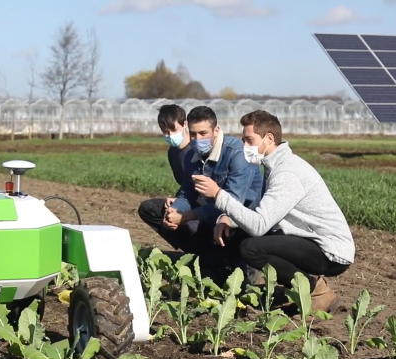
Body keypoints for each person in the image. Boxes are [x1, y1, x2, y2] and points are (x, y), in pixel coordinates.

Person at [192, 110, 355, 312]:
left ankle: (315, 291)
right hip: (308, 238)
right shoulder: (274, 166)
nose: (245, 146)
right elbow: (261, 211)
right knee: (236, 233)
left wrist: (218, 195)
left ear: (269, 138)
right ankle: (235, 281)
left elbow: (259, 225)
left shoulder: (287, 172)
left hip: (329, 250)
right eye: (243, 140)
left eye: (249, 140)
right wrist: (227, 219)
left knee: (251, 248)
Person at [140, 105, 263, 276]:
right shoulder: (193, 155)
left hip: (242, 219)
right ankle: (209, 258)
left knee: (227, 225)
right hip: (211, 213)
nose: (197, 139)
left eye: (203, 133)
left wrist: (187, 216)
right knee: (155, 211)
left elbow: (234, 203)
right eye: (193, 134)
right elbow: (187, 193)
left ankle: (243, 265)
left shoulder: (236, 153)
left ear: (216, 130)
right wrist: (176, 211)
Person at [137, 104, 193, 232]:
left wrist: (181, 203)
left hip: (202, 202)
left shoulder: (196, 150)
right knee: (148, 209)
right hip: (185, 198)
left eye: (174, 130)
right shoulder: (172, 152)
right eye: (166, 132)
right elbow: (184, 184)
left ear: (185, 124)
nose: (170, 135)